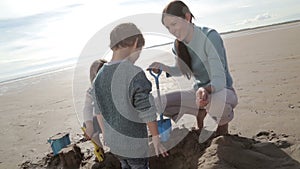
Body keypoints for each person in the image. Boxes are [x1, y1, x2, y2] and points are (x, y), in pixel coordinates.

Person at [148, 0, 238, 137]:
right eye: (168, 28)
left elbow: (219, 81)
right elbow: (182, 70)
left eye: (174, 24)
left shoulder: (210, 37)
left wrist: (204, 90)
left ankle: (222, 132)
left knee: (216, 101)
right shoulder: (177, 45)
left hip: (222, 92)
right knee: (158, 103)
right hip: (198, 94)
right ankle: (200, 111)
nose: (172, 31)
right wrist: (163, 67)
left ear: (187, 17)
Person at [93, 23, 168, 169]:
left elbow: (98, 110)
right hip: (134, 145)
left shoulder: (99, 77)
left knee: (125, 165)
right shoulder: (133, 73)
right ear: (135, 44)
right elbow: (146, 109)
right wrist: (156, 138)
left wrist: (106, 135)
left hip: (115, 144)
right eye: (140, 50)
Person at [82, 59, 107, 147]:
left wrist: (105, 132)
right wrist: (89, 125)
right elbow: (87, 108)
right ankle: (99, 147)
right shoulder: (92, 90)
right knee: (86, 123)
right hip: (102, 118)